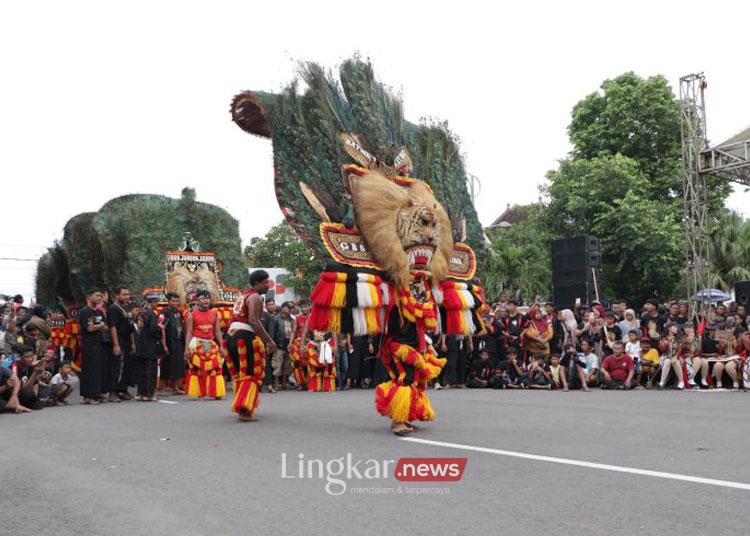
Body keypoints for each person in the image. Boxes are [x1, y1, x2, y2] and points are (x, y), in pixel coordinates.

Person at [226, 270, 276, 422]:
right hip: (245, 336)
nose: (268, 285)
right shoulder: (255, 297)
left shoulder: (243, 296)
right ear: (257, 284)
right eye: (266, 282)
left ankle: (243, 404)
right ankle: (244, 409)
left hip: (231, 336)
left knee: (240, 374)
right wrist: (269, 340)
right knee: (250, 373)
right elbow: (253, 320)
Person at [183, 290, 226, 401]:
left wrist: (222, 346)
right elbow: (189, 332)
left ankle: (217, 392)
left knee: (216, 369)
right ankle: (198, 392)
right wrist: (186, 348)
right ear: (197, 301)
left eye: (207, 298)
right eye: (203, 298)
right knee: (198, 370)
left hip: (211, 344)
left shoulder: (214, 314)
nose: (206, 300)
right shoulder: (191, 315)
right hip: (197, 344)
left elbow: (217, 332)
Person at [78, 288, 109, 405]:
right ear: (89, 297)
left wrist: (99, 325)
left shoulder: (100, 312)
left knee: (98, 369)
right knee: (89, 370)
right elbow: (89, 329)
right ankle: (90, 397)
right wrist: (99, 325)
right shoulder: (84, 312)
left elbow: (106, 327)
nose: (100, 298)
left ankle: (94, 394)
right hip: (88, 345)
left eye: (101, 296)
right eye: (97, 295)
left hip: (99, 344)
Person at [107, 284, 136, 402]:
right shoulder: (113, 308)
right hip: (118, 339)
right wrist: (116, 344)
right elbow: (112, 327)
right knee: (117, 366)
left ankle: (123, 390)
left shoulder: (127, 308)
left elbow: (130, 328)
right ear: (117, 295)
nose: (127, 296)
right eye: (124, 294)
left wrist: (133, 343)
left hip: (127, 340)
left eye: (128, 294)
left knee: (126, 366)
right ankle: (113, 392)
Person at [135, 296, 162, 401]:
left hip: (141, 344)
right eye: (156, 302)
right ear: (152, 302)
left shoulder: (141, 313)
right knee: (150, 370)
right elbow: (153, 330)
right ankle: (149, 394)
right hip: (150, 345)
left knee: (142, 370)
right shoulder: (151, 314)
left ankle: (141, 394)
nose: (157, 304)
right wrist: (160, 328)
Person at [158, 292, 185, 395]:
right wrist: (164, 344)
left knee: (178, 365)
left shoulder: (178, 313)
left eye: (177, 301)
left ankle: (176, 388)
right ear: (168, 301)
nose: (175, 303)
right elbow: (161, 328)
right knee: (166, 365)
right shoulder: (164, 313)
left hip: (178, 342)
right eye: (173, 301)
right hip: (169, 342)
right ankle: (162, 389)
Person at [270, 301, 295, 391]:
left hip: (288, 344)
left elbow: (293, 332)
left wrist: (291, 343)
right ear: (283, 308)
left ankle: (284, 384)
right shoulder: (276, 319)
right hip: (279, 345)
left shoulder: (291, 319)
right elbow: (272, 333)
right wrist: (273, 345)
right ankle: (276, 384)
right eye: (288, 308)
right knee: (277, 365)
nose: (290, 310)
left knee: (287, 366)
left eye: (291, 308)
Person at [658, 322, 686, 390]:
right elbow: (662, 349)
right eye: (674, 327)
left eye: (677, 327)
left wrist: (676, 356)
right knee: (667, 361)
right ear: (669, 329)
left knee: (675, 361)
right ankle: (662, 382)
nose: (676, 329)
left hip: (676, 356)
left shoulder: (679, 338)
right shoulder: (663, 337)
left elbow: (680, 349)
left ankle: (681, 382)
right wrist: (665, 344)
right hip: (666, 356)